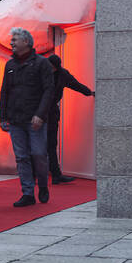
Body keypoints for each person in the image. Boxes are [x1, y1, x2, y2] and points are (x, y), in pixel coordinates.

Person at [0, 28, 54, 207]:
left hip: (35, 120)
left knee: (38, 154)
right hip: (15, 119)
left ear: (26, 42)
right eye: (12, 40)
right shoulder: (10, 65)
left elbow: (49, 91)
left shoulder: (42, 64)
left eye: (15, 40)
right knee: (21, 157)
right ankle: (28, 193)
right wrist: (3, 116)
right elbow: (4, 91)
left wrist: (40, 115)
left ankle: (43, 186)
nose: (11, 43)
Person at [46, 54, 95, 184]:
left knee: (51, 144)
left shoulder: (62, 74)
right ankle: (37, 174)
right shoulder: (42, 71)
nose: (50, 68)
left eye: (52, 67)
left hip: (51, 112)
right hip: (38, 112)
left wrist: (89, 92)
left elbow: (76, 85)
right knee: (39, 145)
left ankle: (55, 175)